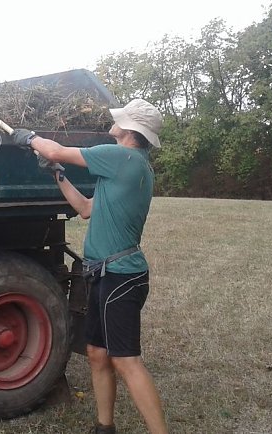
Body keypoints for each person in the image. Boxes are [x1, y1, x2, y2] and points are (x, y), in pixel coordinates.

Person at [11, 98, 169, 434]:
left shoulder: (122, 157)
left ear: (129, 130)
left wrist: (29, 139)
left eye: (120, 120)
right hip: (104, 273)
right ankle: (104, 427)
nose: (114, 123)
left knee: (126, 360)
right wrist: (58, 175)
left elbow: (55, 150)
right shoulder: (125, 165)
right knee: (98, 353)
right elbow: (85, 208)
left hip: (121, 277)